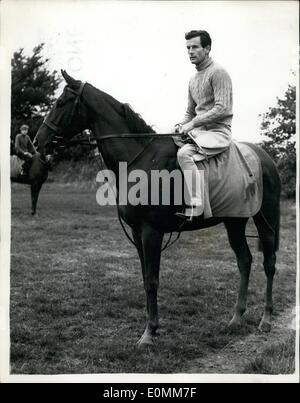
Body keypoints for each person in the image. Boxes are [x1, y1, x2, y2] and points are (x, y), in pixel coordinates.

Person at [173, 30, 233, 221]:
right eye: (188, 48)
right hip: (198, 133)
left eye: (195, 47)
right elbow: (190, 112)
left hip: (218, 132)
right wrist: (179, 125)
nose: (190, 51)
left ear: (207, 49)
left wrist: (192, 124)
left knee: (184, 154)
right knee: (168, 143)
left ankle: (197, 206)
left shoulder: (219, 72)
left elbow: (222, 108)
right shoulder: (192, 79)